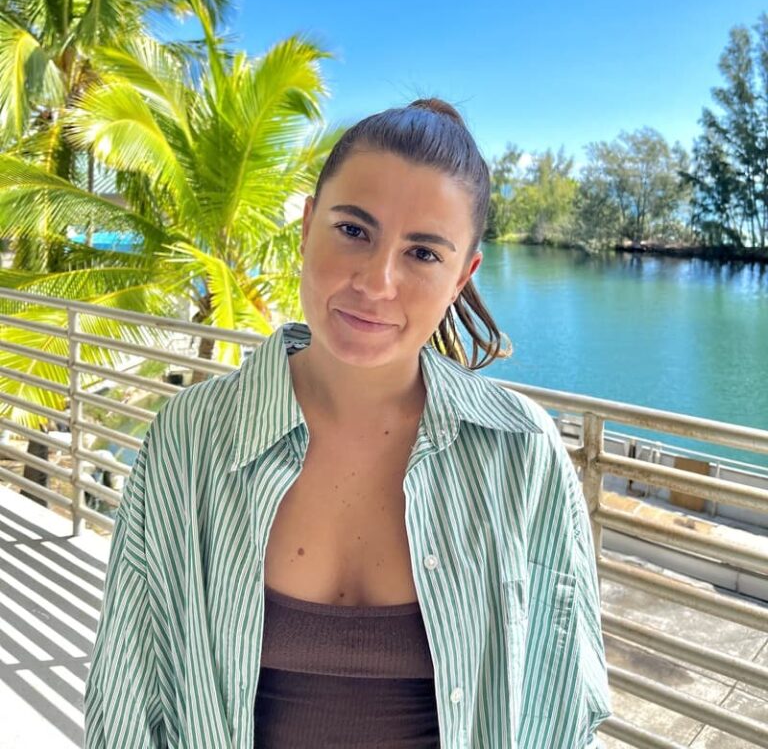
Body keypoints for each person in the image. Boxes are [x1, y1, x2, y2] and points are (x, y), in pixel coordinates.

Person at [83, 98, 612, 749]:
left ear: (461, 277)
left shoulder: (520, 454)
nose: (377, 281)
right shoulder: (193, 441)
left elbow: (558, 712)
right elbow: (129, 700)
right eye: (355, 231)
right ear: (307, 226)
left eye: (422, 253)